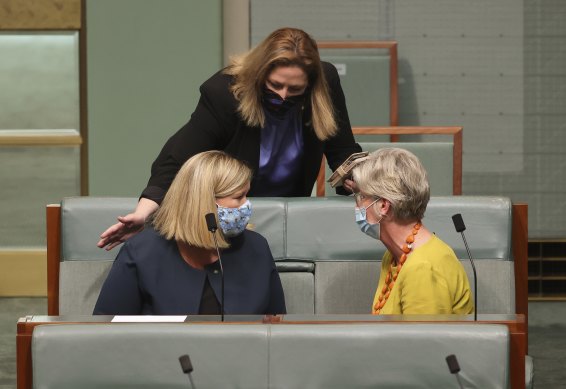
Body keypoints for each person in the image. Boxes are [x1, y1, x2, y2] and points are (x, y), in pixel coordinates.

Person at [98, 27, 361, 250]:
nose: (282, 97)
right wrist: (143, 213)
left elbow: (343, 151)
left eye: (295, 90)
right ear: (259, 75)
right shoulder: (225, 93)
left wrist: (360, 180)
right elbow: (175, 159)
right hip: (232, 215)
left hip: (291, 213)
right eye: (275, 87)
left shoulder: (325, 83)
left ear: (311, 85)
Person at [93, 151, 286, 315]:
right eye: (238, 197)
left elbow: (277, 328)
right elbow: (108, 330)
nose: (247, 205)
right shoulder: (142, 251)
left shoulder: (257, 248)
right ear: (204, 203)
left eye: (247, 195)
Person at [351, 148, 474, 315]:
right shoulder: (395, 256)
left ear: (383, 206)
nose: (357, 205)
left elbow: (421, 341)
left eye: (361, 197)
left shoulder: (422, 269)